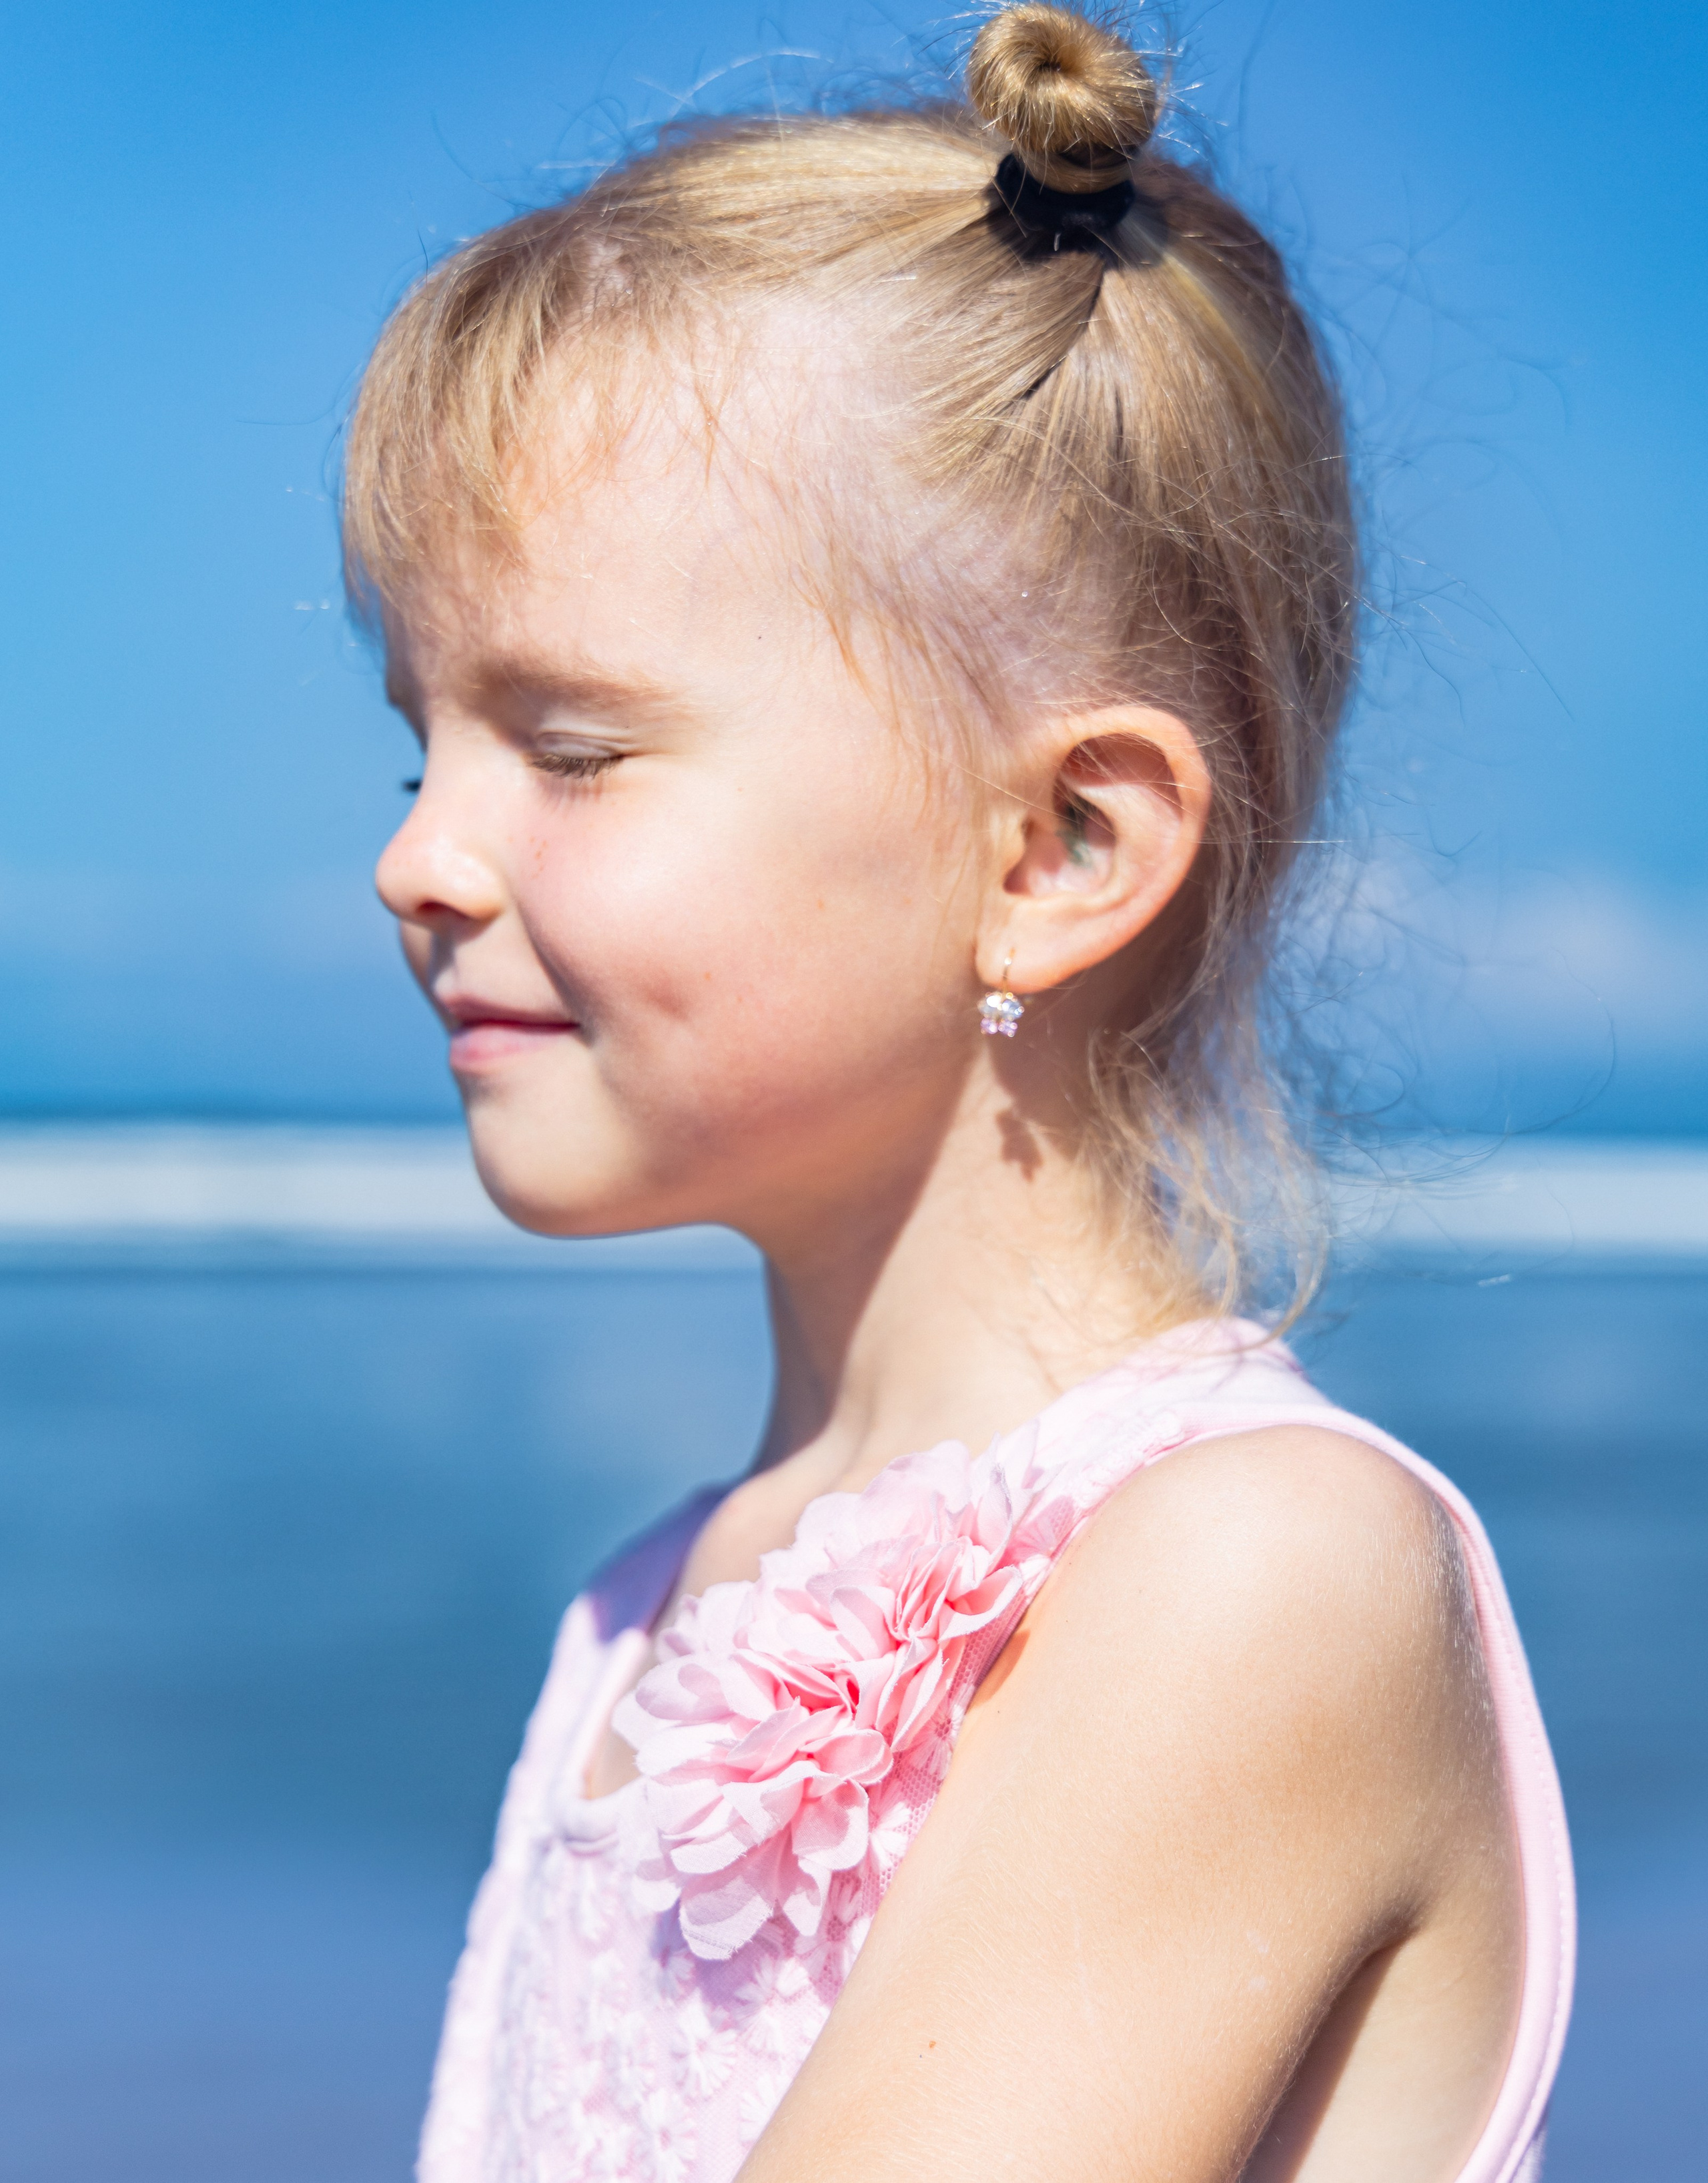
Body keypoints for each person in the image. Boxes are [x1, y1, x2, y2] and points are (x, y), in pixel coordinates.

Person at [346, 7, 1573, 2176]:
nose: (417, 858)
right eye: (411, 739)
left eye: (572, 748)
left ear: (1058, 853)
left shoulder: (1253, 1576)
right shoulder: (646, 1597)